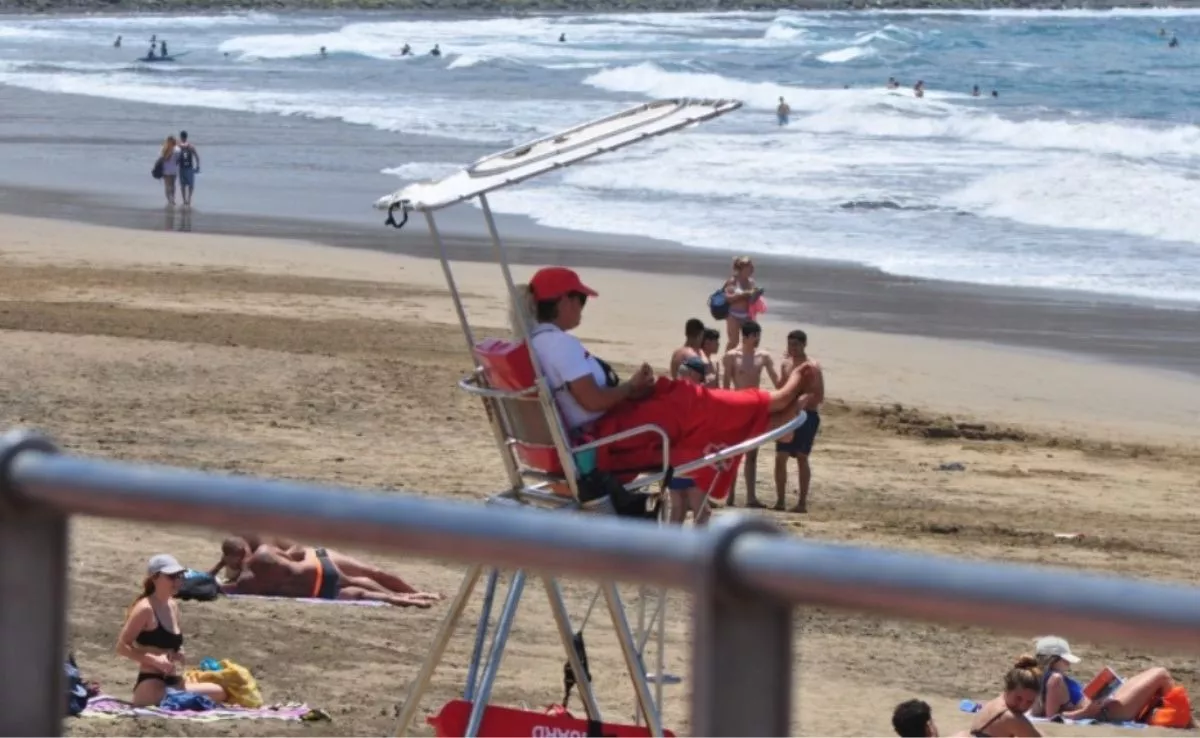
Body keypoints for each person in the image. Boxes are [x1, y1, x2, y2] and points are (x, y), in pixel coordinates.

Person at [518, 266, 811, 484]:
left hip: (606, 427)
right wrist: (629, 388)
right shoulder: (558, 344)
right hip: (607, 434)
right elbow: (592, 401)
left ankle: (771, 416)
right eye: (580, 300)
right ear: (564, 302)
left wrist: (632, 390)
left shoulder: (539, 342)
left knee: (681, 398)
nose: (582, 307)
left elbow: (586, 399)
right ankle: (772, 405)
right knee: (691, 401)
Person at [115, 555, 229, 707]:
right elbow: (122, 647)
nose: (177, 581)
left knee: (218, 692)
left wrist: (179, 651)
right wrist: (153, 659)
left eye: (179, 576)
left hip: (173, 680)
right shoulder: (145, 608)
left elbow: (173, 641)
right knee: (179, 701)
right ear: (154, 578)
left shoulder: (172, 605)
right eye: (171, 577)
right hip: (151, 681)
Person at [215, 536, 442, 608]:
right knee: (369, 576)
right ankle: (418, 593)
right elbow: (297, 551)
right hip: (318, 563)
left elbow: (227, 588)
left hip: (316, 581)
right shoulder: (264, 551)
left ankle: (412, 596)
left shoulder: (246, 580)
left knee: (363, 586)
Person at [1029, 636, 1193, 726]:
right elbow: (1052, 718)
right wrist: (1085, 712)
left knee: (1153, 674)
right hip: (1104, 713)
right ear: (1052, 659)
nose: (1069, 663)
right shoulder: (1055, 679)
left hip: (1102, 705)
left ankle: (1185, 721)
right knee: (1161, 674)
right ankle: (1191, 725)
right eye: (1065, 660)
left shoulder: (1042, 677)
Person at [722, 320, 779, 508]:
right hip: (737, 407)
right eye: (755, 336)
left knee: (752, 454)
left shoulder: (763, 356)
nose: (757, 340)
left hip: (755, 407)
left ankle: (751, 497)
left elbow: (777, 381)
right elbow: (726, 386)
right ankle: (729, 496)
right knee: (733, 453)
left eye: (759, 336)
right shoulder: (731, 356)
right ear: (746, 336)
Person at [774, 329, 823, 512]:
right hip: (786, 415)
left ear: (804, 345)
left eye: (796, 344)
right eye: (790, 344)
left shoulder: (812, 366)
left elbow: (819, 395)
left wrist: (804, 401)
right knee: (781, 457)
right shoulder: (786, 364)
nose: (792, 348)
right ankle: (780, 501)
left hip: (806, 416)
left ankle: (802, 503)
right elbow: (780, 388)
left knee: (802, 458)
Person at [667, 355, 715, 525]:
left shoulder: (675, 393)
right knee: (700, 510)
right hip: (692, 459)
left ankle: (672, 550)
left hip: (675, 458)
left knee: (678, 509)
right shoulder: (699, 396)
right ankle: (699, 550)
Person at [966, 658, 1043, 737]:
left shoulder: (994, 703)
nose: (1022, 706)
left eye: (1029, 702)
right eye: (1018, 698)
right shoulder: (1012, 718)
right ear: (1007, 690)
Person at [722, 256, 762, 350]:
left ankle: (744, 359)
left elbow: (751, 300)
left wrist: (756, 294)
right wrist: (744, 294)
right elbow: (728, 298)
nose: (752, 269)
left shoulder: (751, 282)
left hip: (747, 315)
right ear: (742, 268)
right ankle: (728, 360)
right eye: (750, 267)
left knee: (752, 340)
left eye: (752, 267)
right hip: (733, 315)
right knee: (733, 342)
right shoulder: (733, 281)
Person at [177, 130, 200, 207]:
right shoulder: (191, 146)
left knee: (183, 185)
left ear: (181, 137)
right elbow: (197, 157)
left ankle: (184, 200)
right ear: (186, 137)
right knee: (191, 185)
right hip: (189, 168)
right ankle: (189, 199)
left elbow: (175, 157)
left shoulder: (178, 146)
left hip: (181, 168)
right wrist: (198, 166)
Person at [157, 135, 180, 206]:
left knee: (170, 185)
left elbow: (161, 158)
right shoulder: (176, 149)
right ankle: (171, 199)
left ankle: (171, 199)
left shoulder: (168, 148)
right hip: (170, 170)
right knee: (170, 185)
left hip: (170, 170)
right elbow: (163, 159)